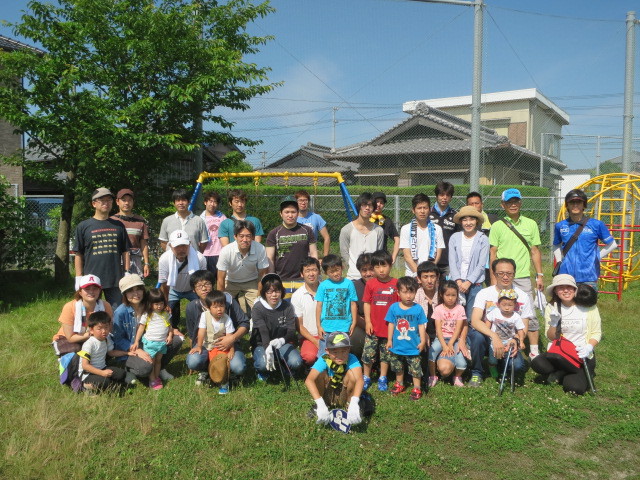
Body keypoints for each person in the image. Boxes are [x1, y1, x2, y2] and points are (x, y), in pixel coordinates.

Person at [489, 188, 544, 357]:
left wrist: (539, 275)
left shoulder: (531, 224)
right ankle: (500, 347)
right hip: (502, 277)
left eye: (516, 201)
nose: (513, 205)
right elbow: (493, 253)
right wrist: (493, 279)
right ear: (502, 204)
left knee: (529, 313)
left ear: (520, 203)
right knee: (500, 311)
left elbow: (534, 251)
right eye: (509, 202)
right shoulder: (497, 226)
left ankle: (533, 350)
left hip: (522, 277)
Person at [467, 258, 535, 387]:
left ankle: (500, 365)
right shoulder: (484, 293)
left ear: (514, 274)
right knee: (476, 336)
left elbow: (524, 328)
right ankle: (477, 372)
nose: (505, 277)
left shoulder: (523, 296)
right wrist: (494, 336)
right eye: (500, 273)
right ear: (494, 274)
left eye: (509, 273)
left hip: (509, 340)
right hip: (487, 338)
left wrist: (515, 340)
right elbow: (475, 321)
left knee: (518, 366)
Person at [531, 275, 601, 395]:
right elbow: (551, 337)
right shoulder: (552, 307)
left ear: (575, 289)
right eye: (561, 288)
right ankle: (565, 370)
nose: (565, 290)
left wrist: (589, 347)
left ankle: (568, 372)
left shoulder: (588, 306)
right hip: (561, 353)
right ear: (555, 292)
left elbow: (596, 332)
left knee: (574, 388)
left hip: (581, 355)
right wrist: (553, 323)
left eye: (569, 287)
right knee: (537, 363)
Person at [112, 275, 182, 384]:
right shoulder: (120, 312)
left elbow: (164, 319)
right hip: (131, 349)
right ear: (124, 294)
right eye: (130, 291)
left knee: (177, 339)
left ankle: (160, 367)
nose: (136, 294)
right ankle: (130, 369)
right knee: (145, 368)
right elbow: (118, 339)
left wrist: (171, 330)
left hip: (152, 342)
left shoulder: (150, 305)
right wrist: (136, 349)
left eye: (139, 289)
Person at [185, 270, 249, 384]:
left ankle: (230, 372)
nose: (204, 288)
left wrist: (232, 339)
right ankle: (205, 370)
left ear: (213, 285)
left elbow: (245, 323)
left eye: (207, 284)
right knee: (193, 361)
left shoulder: (227, 301)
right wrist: (194, 349)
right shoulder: (192, 307)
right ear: (194, 290)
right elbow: (192, 334)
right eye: (199, 286)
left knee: (239, 367)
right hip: (205, 344)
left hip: (229, 344)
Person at [73, 188, 130, 307]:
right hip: (91, 279)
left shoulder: (119, 225)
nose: (106, 203)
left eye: (109, 200)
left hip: (114, 278)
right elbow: (78, 254)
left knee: (116, 312)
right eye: (102, 200)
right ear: (94, 203)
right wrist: (78, 277)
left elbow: (125, 251)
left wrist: (127, 272)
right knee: (91, 313)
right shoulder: (83, 226)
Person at [553, 189, 617, 289]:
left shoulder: (596, 224)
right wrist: (559, 261)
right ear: (567, 205)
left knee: (587, 304)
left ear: (584, 205)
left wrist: (597, 257)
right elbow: (556, 245)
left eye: (578, 202)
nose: (575, 205)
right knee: (566, 304)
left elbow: (612, 244)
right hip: (566, 275)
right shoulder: (560, 226)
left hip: (588, 276)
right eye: (571, 202)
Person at [305, 331, 365, 426]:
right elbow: (309, 380)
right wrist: (319, 402)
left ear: (349, 349)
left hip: (344, 393)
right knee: (318, 374)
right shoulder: (324, 359)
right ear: (327, 351)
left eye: (343, 351)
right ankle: (321, 406)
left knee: (353, 375)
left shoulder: (352, 358)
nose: (340, 356)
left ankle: (350, 406)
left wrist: (355, 401)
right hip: (327, 393)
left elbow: (360, 380)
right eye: (335, 351)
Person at [250, 273, 302, 380]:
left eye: (277, 291)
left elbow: (291, 330)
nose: (274, 295)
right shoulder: (257, 307)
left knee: (296, 362)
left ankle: (282, 364)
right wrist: (267, 346)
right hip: (261, 343)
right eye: (269, 292)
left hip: (282, 342)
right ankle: (260, 370)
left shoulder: (287, 306)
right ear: (264, 293)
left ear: (282, 291)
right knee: (263, 364)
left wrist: (282, 341)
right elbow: (263, 329)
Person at [385, 276, 428, 400]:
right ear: (398, 293)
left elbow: (421, 326)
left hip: (413, 347)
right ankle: (400, 384)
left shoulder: (418, 309)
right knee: (398, 366)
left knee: (415, 368)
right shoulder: (393, 308)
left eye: (411, 292)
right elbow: (391, 324)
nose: (408, 296)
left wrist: (423, 341)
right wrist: (389, 340)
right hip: (397, 346)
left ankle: (417, 388)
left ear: (415, 292)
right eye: (405, 292)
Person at [266, 196, 318, 297]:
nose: (290, 215)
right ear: (281, 214)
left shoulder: (307, 230)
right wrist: (272, 279)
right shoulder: (274, 233)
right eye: (287, 212)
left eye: (293, 212)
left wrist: (314, 273)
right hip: (281, 280)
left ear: (298, 213)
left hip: (303, 280)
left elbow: (313, 253)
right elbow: (270, 259)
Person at [362, 250, 398, 392]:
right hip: (373, 327)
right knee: (368, 353)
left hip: (389, 329)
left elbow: (399, 307)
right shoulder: (370, 284)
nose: (381, 270)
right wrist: (368, 322)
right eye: (377, 267)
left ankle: (383, 377)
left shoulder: (396, 283)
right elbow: (366, 303)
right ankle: (366, 377)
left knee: (386, 354)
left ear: (390, 265)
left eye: (384, 266)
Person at [52, 274, 114, 356]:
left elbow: (109, 328)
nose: (91, 292)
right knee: (75, 350)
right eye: (87, 289)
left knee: (103, 349)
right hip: (68, 338)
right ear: (80, 292)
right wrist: (88, 335)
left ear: (100, 291)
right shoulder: (70, 307)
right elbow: (70, 338)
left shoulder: (106, 306)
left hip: (95, 336)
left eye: (95, 289)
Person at [187, 290, 236, 394]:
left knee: (221, 363)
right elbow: (201, 332)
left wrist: (231, 349)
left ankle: (224, 383)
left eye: (221, 306)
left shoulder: (227, 319)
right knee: (211, 361)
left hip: (222, 346)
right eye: (215, 307)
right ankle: (208, 374)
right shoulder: (205, 316)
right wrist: (199, 346)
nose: (219, 309)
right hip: (208, 345)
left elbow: (230, 337)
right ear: (208, 308)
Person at [217, 220, 270, 314]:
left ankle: (255, 327)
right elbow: (221, 278)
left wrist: (259, 297)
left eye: (248, 236)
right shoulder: (226, 251)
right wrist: (220, 301)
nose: (244, 240)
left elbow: (262, 275)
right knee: (222, 308)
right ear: (235, 237)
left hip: (251, 281)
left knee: (261, 308)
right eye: (241, 236)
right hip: (230, 281)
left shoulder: (260, 248)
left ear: (253, 237)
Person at [158, 229, 206, 332]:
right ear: (170, 246)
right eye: (177, 246)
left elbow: (202, 280)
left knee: (199, 308)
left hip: (192, 289)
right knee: (169, 310)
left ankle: (198, 328)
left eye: (184, 245)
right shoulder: (164, 259)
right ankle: (173, 329)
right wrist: (166, 302)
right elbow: (164, 283)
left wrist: (202, 299)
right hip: (174, 289)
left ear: (190, 244)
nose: (181, 249)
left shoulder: (200, 258)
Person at [448, 205, 489, 319]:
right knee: (456, 316)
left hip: (475, 284)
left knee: (472, 317)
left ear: (476, 221)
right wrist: (458, 281)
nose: (468, 223)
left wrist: (468, 282)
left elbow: (481, 264)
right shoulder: (454, 237)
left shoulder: (483, 238)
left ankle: (470, 337)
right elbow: (452, 260)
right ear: (461, 222)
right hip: (457, 283)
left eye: (471, 219)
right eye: (465, 220)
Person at [315, 254, 358, 358]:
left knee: (342, 353)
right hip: (326, 328)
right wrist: (319, 326)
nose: (335, 274)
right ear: (326, 273)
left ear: (342, 267)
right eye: (331, 271)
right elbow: (319, 306)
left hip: (344, 327)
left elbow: (353, 304)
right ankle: (324, 373)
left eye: (337, 270)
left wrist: (354, 322)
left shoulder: (349, 284)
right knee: (324, 354)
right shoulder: (323, 285)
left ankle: (342, 373)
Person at [130, 288, 173, 390]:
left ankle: (156, 377)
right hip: (150, 343)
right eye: (156, 304)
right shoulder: (147, 315)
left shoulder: (165, 314)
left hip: (162, 343)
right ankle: (152, 380)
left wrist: (170, 335)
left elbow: (170, 327)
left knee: (158, 361)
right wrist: (136, 341)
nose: (159, 306)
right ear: (150, 304)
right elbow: (141, 328)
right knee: (151, 362)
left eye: (161, 303)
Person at [427, 281, 467, 388]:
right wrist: (444, 345)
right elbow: (438, 330)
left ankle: (457, 377)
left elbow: (458, 329)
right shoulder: (438, 309)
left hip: (455, 339)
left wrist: (451, 344)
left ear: (457, 295)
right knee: (432, 352)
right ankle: (433, 376)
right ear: (441, 295)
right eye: (447, 295)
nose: (450, 298)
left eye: (453, 295)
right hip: (441, 338)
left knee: (462, 363)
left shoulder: (460, 309)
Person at [339, 192, 384, 280]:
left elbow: (379, 254)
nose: (367, 208)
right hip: (353, 277)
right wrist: (354, 266)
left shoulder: (379, 230)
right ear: (359, 206)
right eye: (364, 205)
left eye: (370, 206)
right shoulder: (346, 229)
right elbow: (344, 252)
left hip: (373, 278)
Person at [79, 311, 127, 392]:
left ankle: (106, 384)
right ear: (91, 330)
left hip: (102, 367)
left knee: (121, 374)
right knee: (106, 382)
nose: (104, 331)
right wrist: (102, 373)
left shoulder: (106, 339)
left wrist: (126, 353)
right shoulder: (88, 344)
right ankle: (85, 385)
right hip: (88, 374)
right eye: (99, 328)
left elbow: (111, 353)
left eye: (106, 327)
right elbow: (85, 366)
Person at [400, 193, 445, 277]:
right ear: (413, 210)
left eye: (425, 208)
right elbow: (407, 256)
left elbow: (438, 253)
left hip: (430, 275)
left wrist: (429, 273)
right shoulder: (405, 229)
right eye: (419, 208)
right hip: (412, 275)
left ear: (429, 210)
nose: (422, 211)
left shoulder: (437, 229)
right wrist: (419, 274)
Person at [485, 289, 526, 379]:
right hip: (494, 341)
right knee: (493, 359)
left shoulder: (516, 317)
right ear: (498, 304)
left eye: (510, 305)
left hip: (509, 342)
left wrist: (521, 341)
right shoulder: (495, 312)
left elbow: (520, 330)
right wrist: (488, 331)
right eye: (504, 305)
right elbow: (488, 322)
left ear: (515, 305)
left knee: (508, 357)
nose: (507, 308)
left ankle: (505, 371)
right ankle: (493, 367)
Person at [112, 188, 150, 278]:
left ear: (133, 202)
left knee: (135, 287)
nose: (126, 203)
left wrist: (146, 263)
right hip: (117, 260)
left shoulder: (140, 221)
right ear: (117, 202)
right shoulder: (111, 220)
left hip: (136, 260)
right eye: (123, 200)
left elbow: (143, 243)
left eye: (129, 200)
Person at [291, 257, 322, 366]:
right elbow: (298, 325)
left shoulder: (328, 289)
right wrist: (315, 341)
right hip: (309, 336)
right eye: (307, 271)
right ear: (302, 274)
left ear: (319, 271)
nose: (311, 274)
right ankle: (309, 367)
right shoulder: (297, 296)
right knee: (309, 357)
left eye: (314, 270)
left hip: (329, 333)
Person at [158, 188, 208, 253]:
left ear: (189, 202)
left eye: (183, 200)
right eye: (178, 200)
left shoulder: (199, 220)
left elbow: (203, 242)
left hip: (193, 260)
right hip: (173, 261)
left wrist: (194, 254)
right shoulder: (167, 221)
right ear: (174, 203)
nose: (181, 203)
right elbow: (163, 241)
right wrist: (173, 254)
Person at [428, 182, 460, 277]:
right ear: (436, 196)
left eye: (448, 195)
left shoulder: (455, 215)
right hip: (430, 260)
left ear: (451, 197)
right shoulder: (427, 213)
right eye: (441, 195)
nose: (444, 198)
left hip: (448, 262)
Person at [466, 191, 498, 286]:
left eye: (477, 203)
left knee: (492, 287)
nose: (474, 206)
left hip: (489, 261)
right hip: (472, 263)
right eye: (471, 204)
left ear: (482, 204)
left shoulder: (493, 220)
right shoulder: (463, 223)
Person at [199, 191, 227, 282]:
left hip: (219, 253)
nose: (212, 204)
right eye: (210, 201)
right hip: (205, 253)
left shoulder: (222, 217)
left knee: (220, 280)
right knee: (206, 281)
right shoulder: (200, 219)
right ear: (205, 202)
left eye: (215, 202)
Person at [295, 189, 331, 257]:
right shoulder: (292, 218)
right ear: (296, 202)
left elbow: (327, 237)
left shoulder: (316, 217)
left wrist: (325, 257)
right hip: (296, 255)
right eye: (300, 200)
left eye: (305, 200)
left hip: (312, 255)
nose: (303, 203)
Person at [414, 261, 440, 345]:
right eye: (425, 277)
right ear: (419, 279)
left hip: (441, 338)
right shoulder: (415, 297)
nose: (429, 281)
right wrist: (423, 334)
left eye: (432, 276)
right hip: (419, 337)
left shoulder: (443, 295)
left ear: (437, 277)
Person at [371, 192, 400, 264]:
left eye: (381, 203)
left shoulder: (386, 220)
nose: (378, 204)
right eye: (376, 202)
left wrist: (393, 257)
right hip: (366, 258)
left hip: (381, 259)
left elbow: (397, 239)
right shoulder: (364, 218)